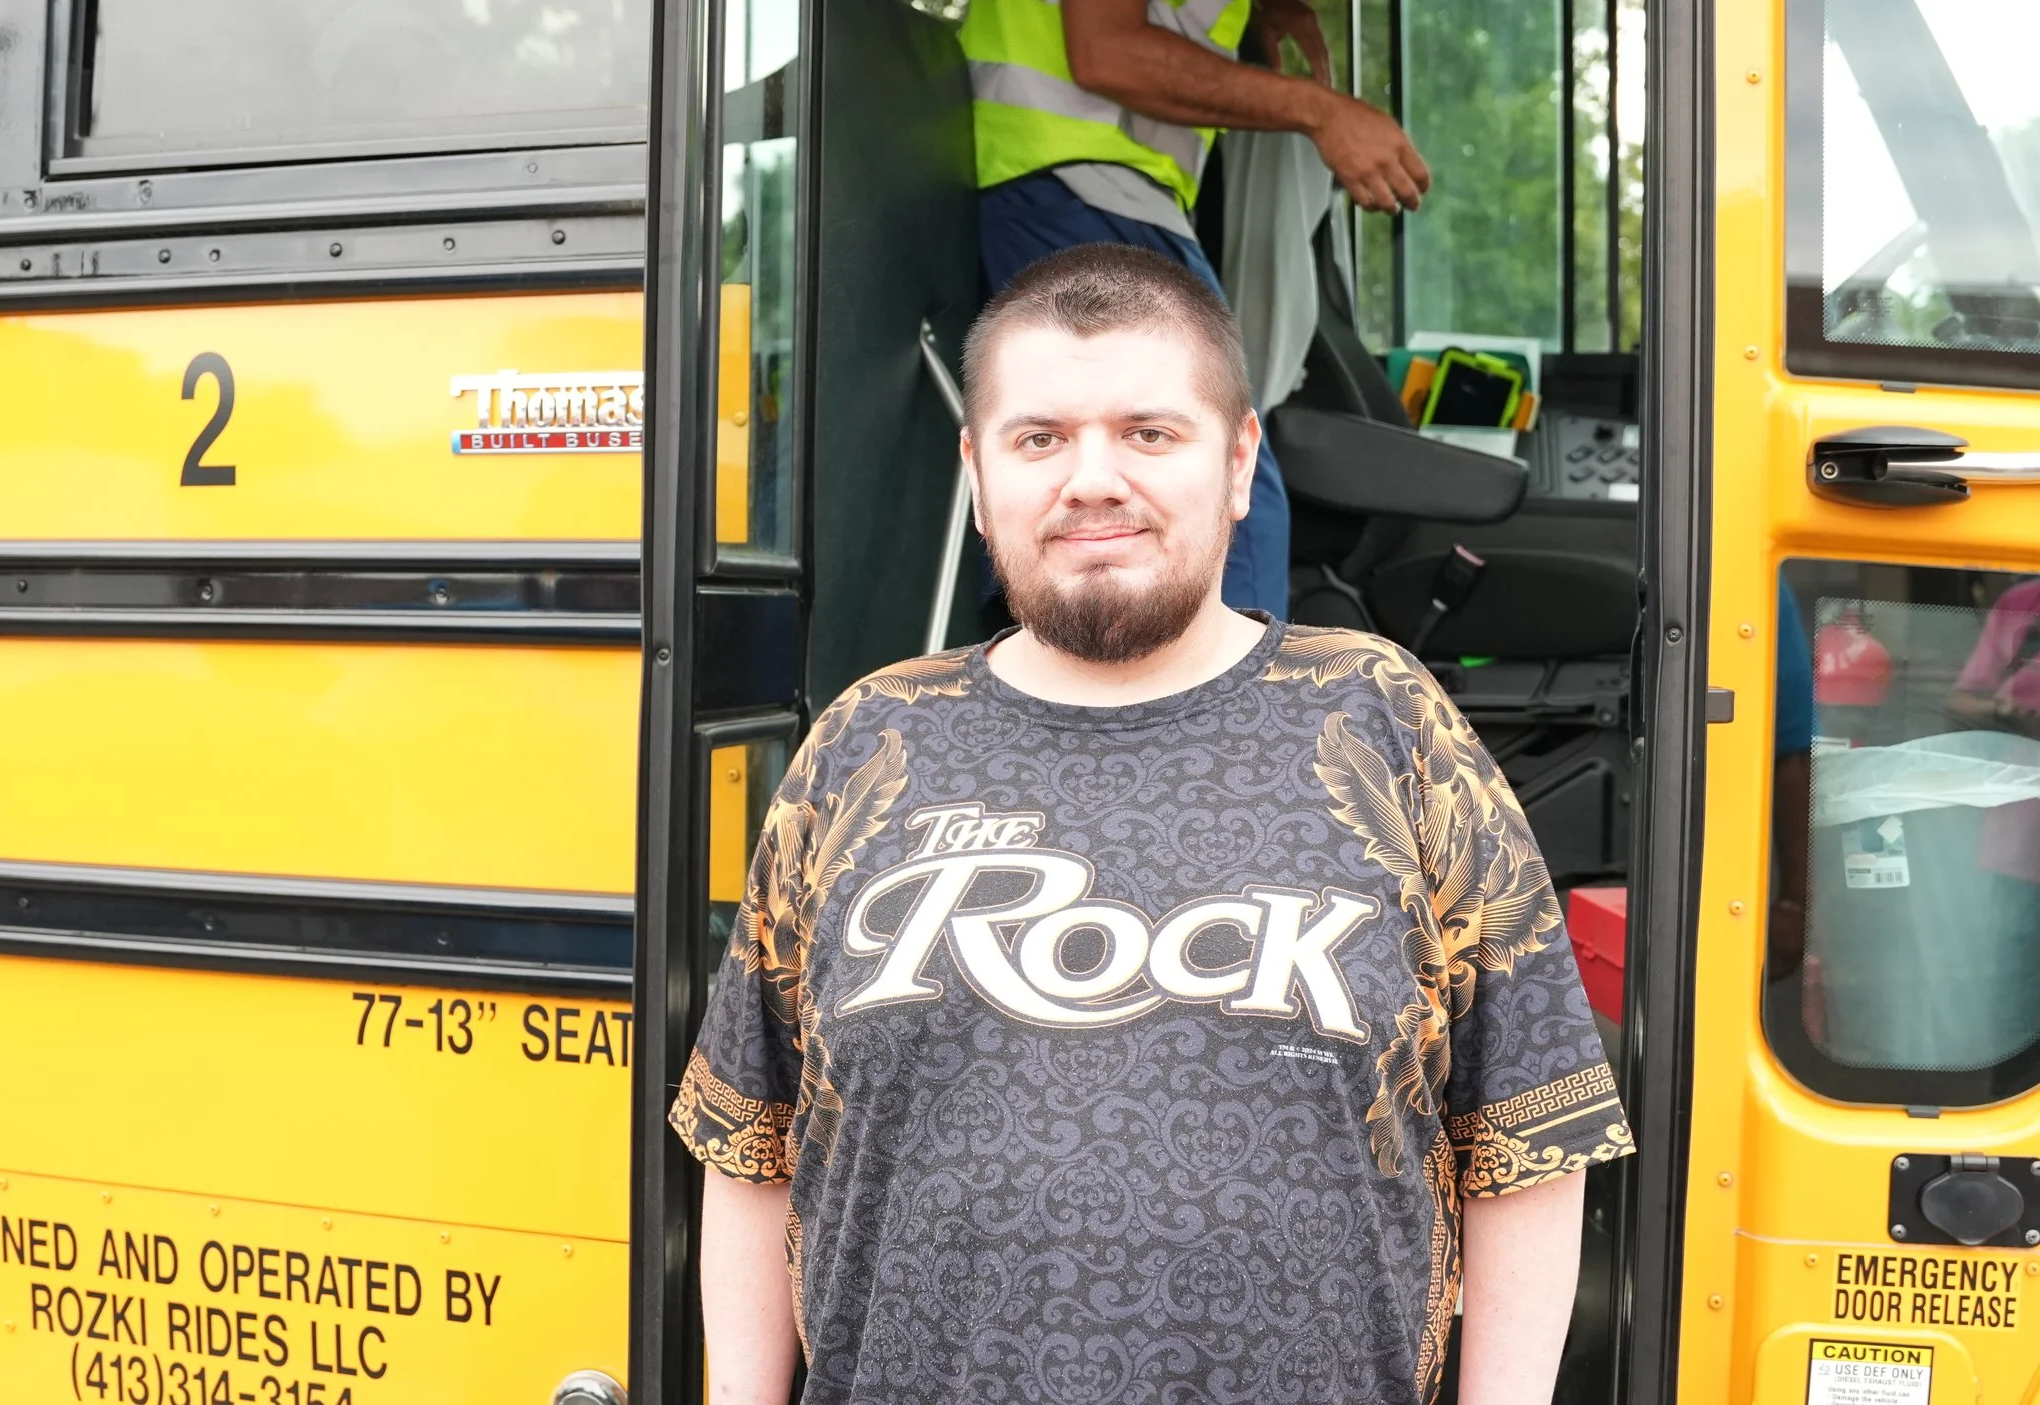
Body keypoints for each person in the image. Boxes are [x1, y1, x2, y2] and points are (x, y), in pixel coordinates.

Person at [674, 245, 1631, 1404]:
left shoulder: (1387, 722)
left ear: (1237, 463)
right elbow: (749, 1139)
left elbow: (1528, 1135)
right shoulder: (866, 741)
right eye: (1039, 438)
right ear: (978, 470)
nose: (1091, 479)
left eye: (1148, 432)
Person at [963, 0, 1432, 619]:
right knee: (1223, 493)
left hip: (1074, 181)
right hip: (1078, 181)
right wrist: (1323, 110)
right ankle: (1242, 688)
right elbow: (1108, 53)